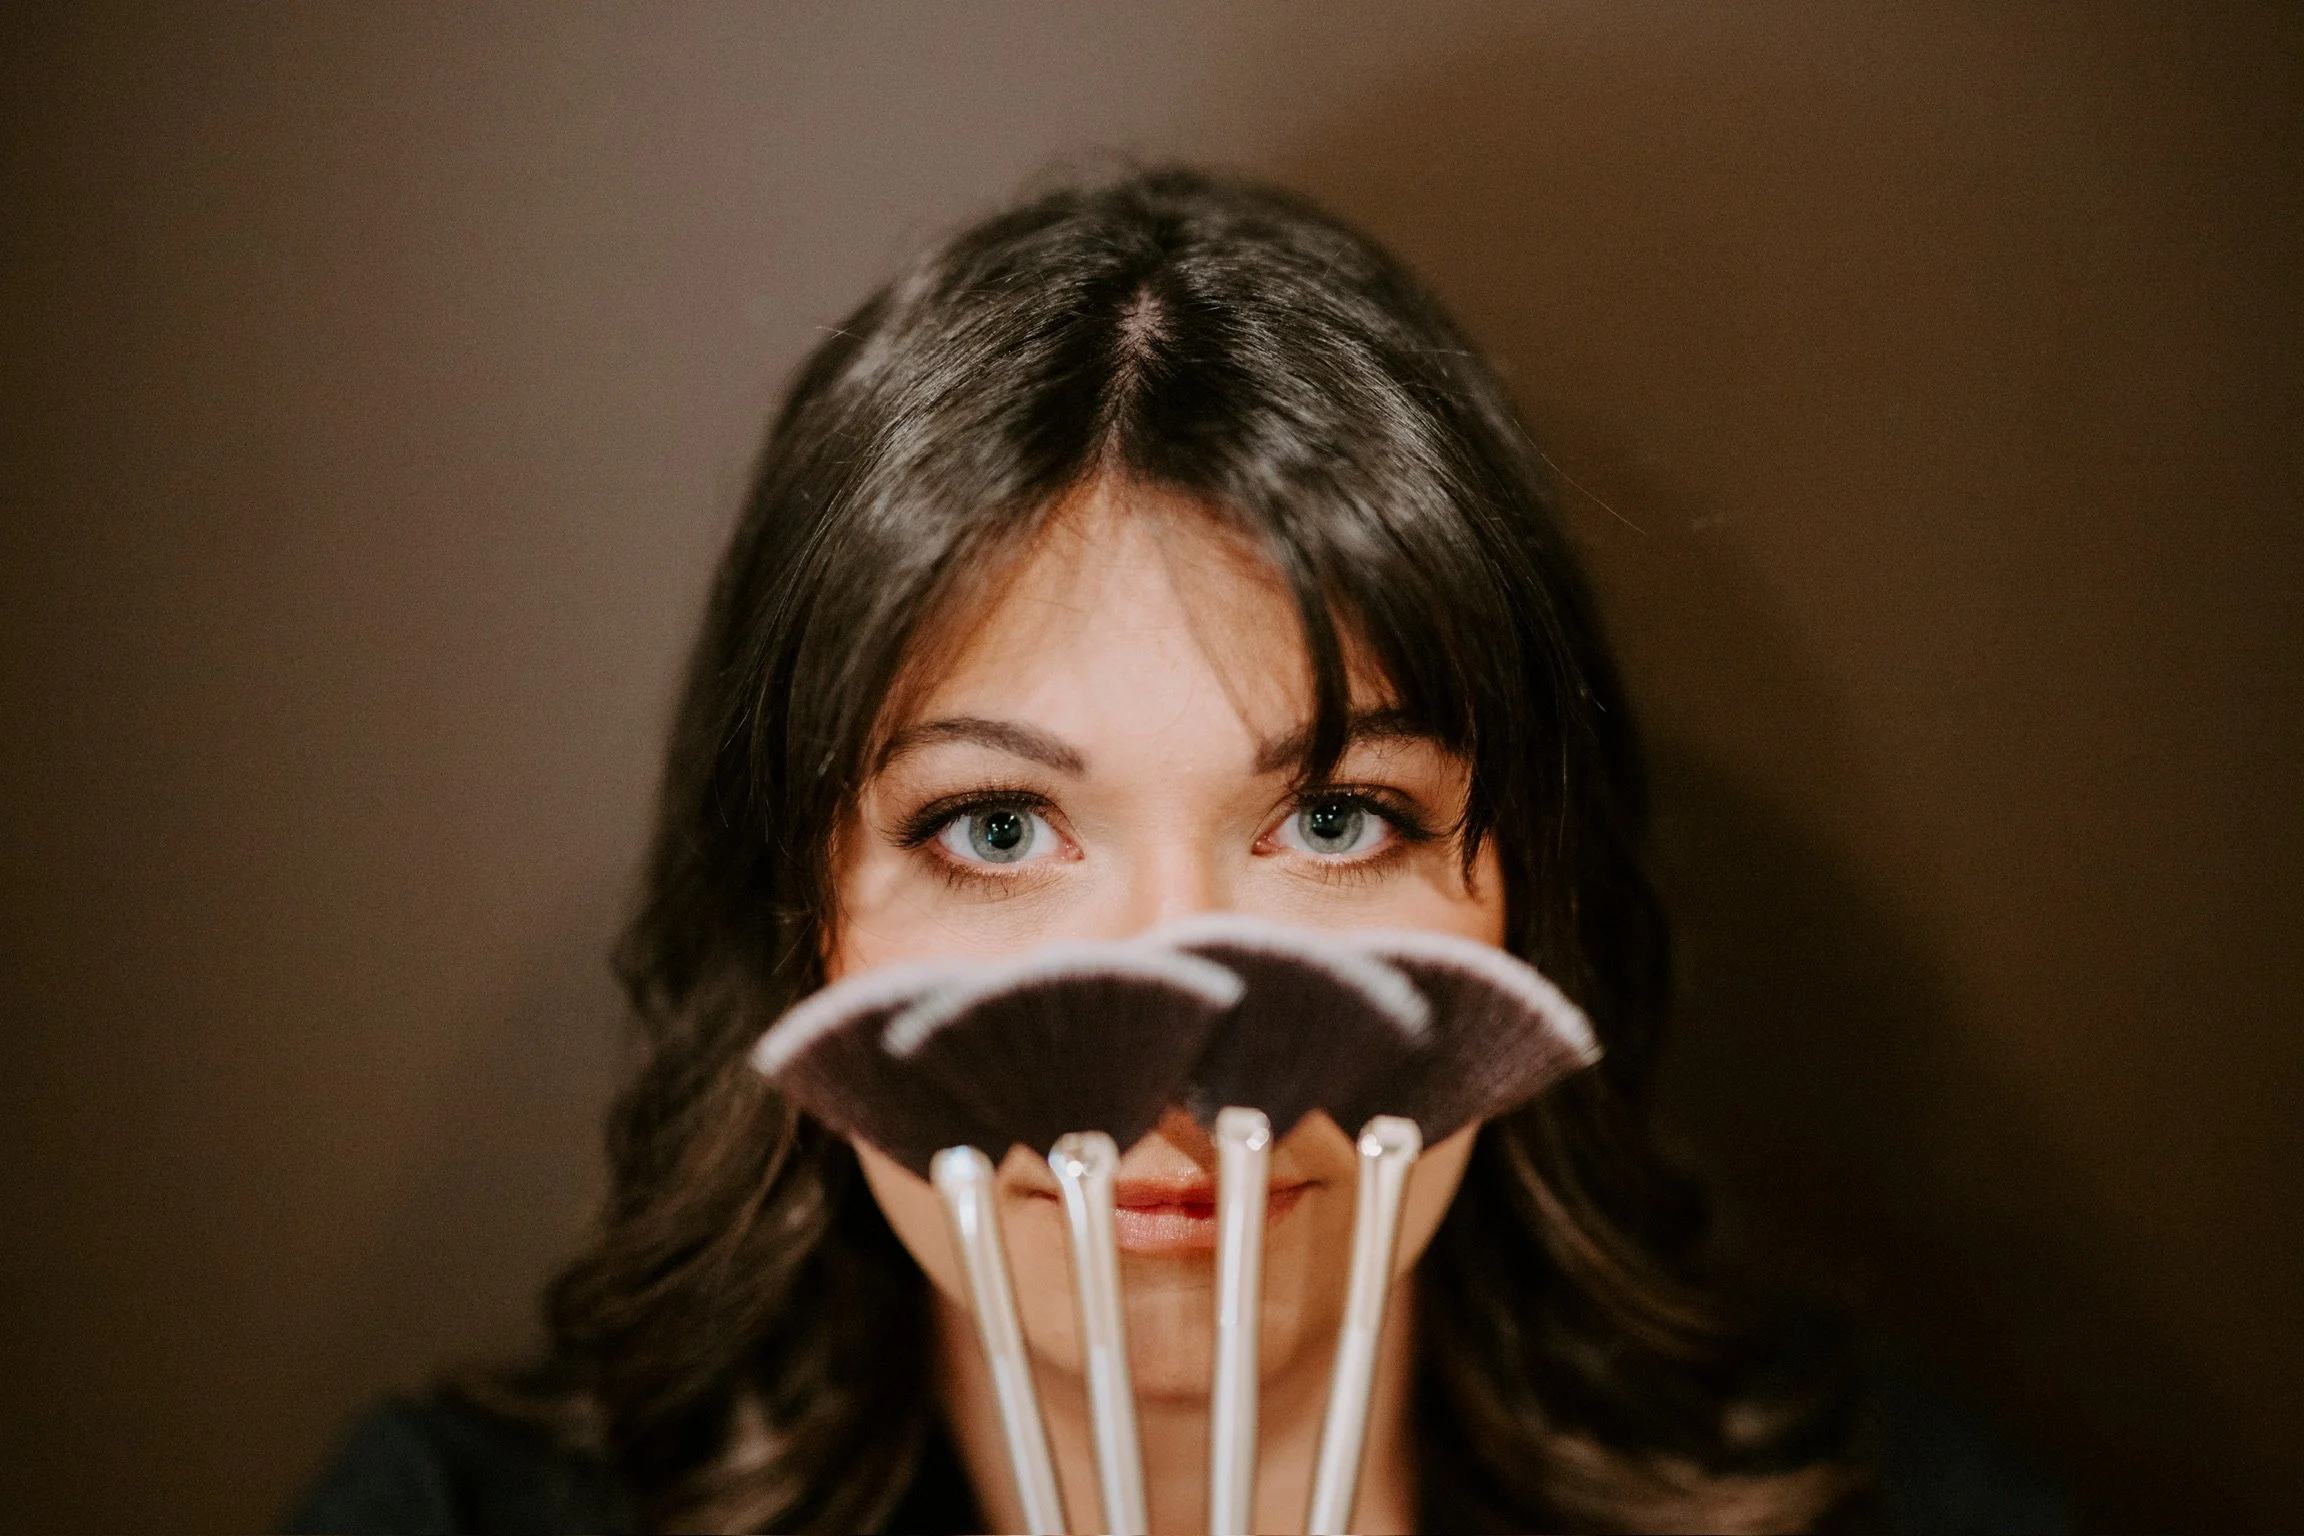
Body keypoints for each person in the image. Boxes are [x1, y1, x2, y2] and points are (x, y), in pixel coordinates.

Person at [288, 168, 2065, 1534]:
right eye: (995, 829)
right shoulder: (455, 1520)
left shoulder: (1896, 1509)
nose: (1184, 1011)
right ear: (800, 918)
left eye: (1336, 819)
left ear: (1527, 908)